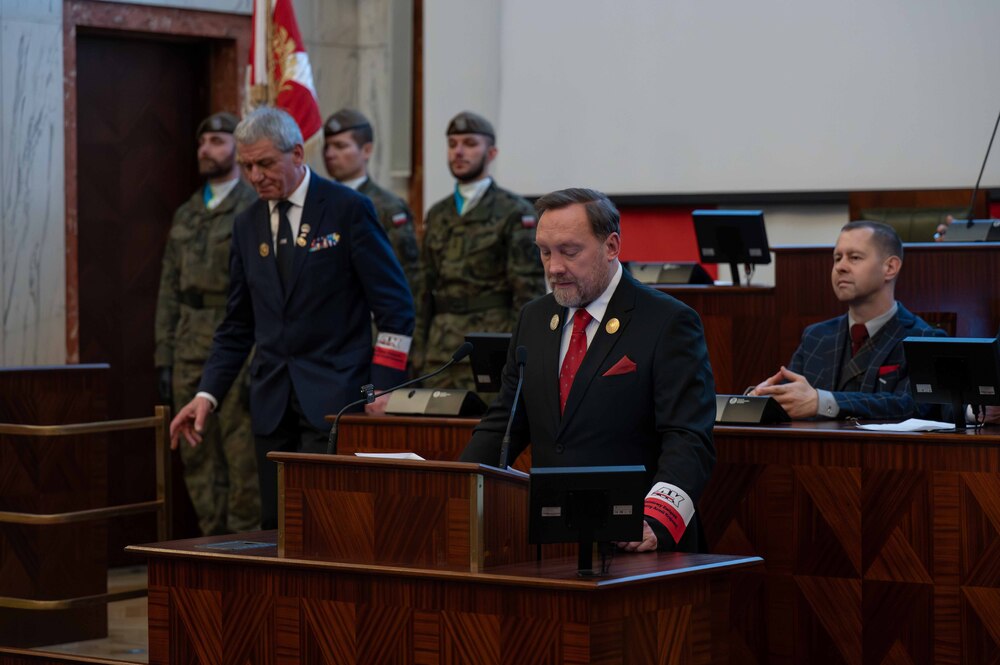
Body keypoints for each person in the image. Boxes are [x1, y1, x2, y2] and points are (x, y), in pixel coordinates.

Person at [170, 106, 415, 529]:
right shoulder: (247, 224)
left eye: (265, 163)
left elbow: (396, 308)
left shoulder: (346, 208)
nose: (255, 176)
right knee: (277, 526)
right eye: (246, 166)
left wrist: (383, 386)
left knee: (329, 525)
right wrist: (206, 394)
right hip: (271, 403)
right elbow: (236, 325)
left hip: (336, 397)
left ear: (298, 154)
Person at [460, 188, 716, 553]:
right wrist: (456, 485)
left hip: (637, 540)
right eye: (545, 252)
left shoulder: (667, 321)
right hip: (552, 540)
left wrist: (657, 518)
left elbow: (689, 437)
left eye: (569, 251)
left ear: (611, 247)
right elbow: (505, 421)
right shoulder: (534, 318)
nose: (553, 267)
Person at [154, 112, 260, 535]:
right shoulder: (186, 213)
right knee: (196, 456)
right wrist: (164, 356)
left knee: (241, 455)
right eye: (202, 142)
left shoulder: (253, 206)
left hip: (239, 345)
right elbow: (169, 290)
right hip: (190, 344)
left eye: (217, 140)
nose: (206, 149)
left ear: (238, 148)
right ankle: (211, 543)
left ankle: (245, 548)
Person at [750, 221, 946, 420]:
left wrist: (824, 403)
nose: (840, 267)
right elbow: (790, 397)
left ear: (890, 267)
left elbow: (913, 406)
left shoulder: (925, 338)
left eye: (854, 258)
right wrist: (762, 398)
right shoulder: (816, 337)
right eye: (837, 258)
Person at [414, 111, 545, 390]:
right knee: (433, 430)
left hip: (490, 344)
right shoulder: (438, 214)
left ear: (492, 152)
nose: (459, 152)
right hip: (440, 351)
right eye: (452, 144)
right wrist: (416, 353)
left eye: (470, 143)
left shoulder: (514, 211)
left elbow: (527, 293)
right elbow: (422, 289)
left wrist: (517, 355)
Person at [322, 108, 420, 292]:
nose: (330, 154)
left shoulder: (387, 207)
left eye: (340, 146)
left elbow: (405, 274)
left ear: (366, 150)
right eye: (327, 146)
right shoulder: (319, 202)